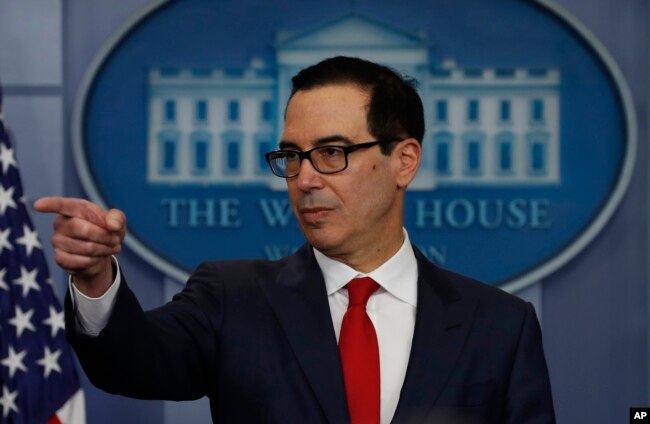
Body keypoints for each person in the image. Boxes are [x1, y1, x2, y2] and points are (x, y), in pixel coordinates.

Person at [35, 56, 555, 423]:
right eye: (292, 156)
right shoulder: (231, 298)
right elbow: (133, 362)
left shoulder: (499, 327)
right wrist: (96, 277)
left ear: (404, 161)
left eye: (332, 152)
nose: (304, 179)